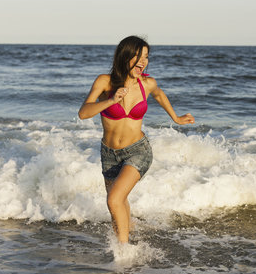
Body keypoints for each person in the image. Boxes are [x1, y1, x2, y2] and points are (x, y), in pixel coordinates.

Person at [78, 35, 194, 243]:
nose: (143, 62)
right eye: (138, 56)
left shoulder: (147, 84)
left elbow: (159, 95)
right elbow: (84, 113)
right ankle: (128, 233)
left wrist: (176, 118)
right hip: (109, 153)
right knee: (118, 202)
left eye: (146, 57)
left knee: (114, 199)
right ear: (125, 57)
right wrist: (111, 100)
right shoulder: (104, 82)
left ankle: (123, 252)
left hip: (138, 150)